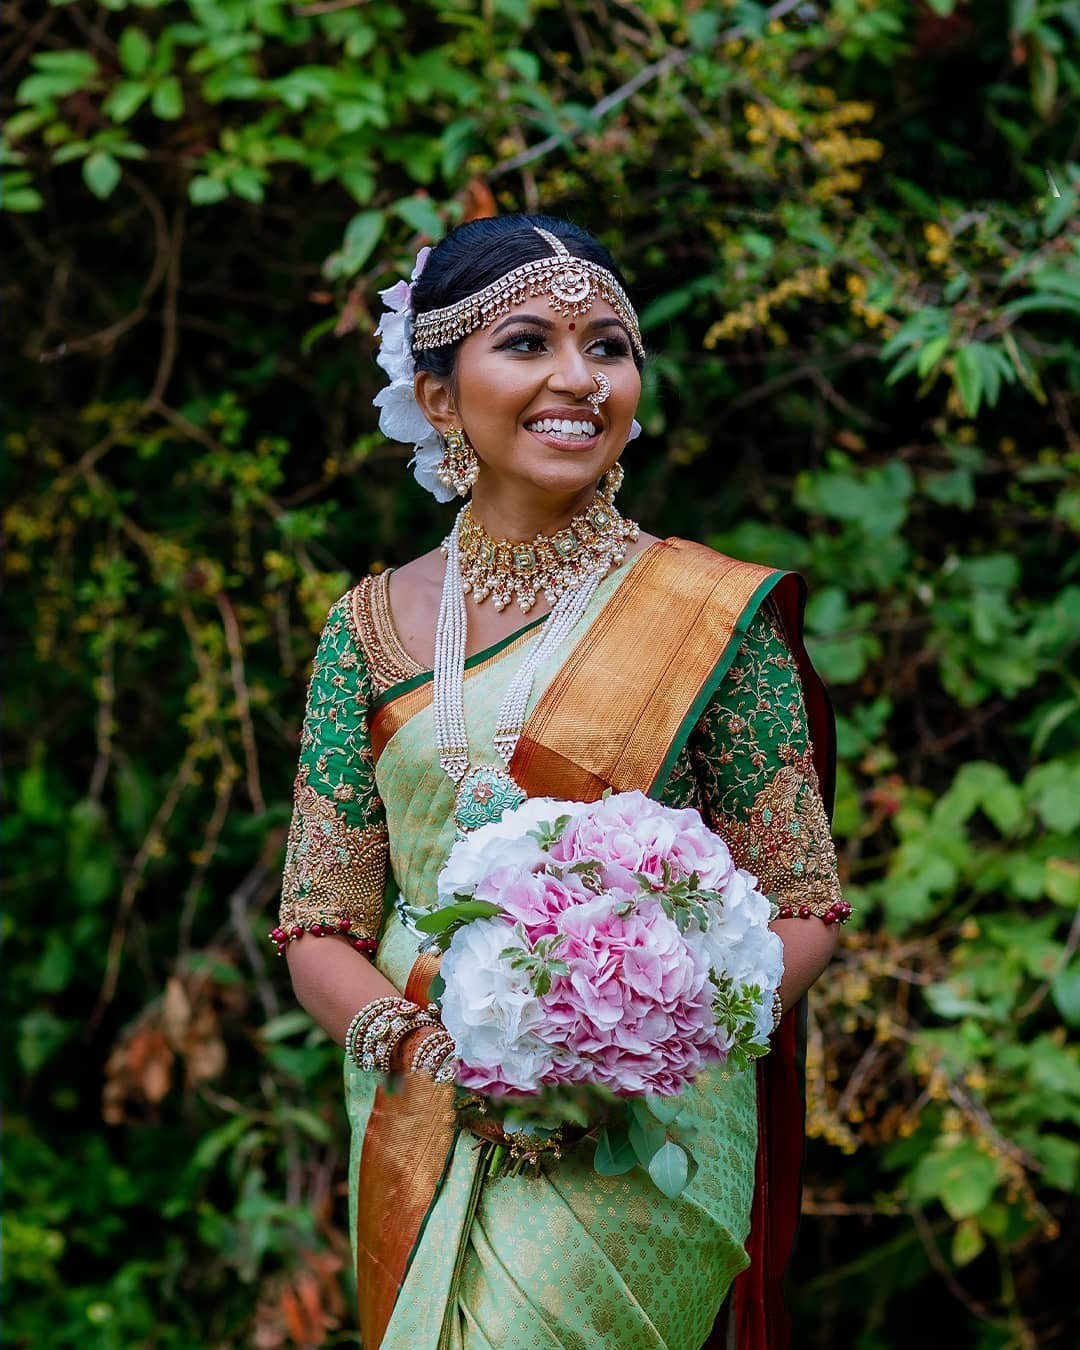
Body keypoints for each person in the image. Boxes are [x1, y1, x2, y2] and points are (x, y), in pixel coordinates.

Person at [276, 214, 850, 1350]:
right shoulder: (367, 629)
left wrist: (639, 1047)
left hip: (645, 1130)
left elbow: (804, 903)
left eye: (610, 347)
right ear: (439, 396)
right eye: (530, 343)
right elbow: (318, 922)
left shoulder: (706, 617)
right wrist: (441, 1057)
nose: (579, 380)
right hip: (427, 1115)